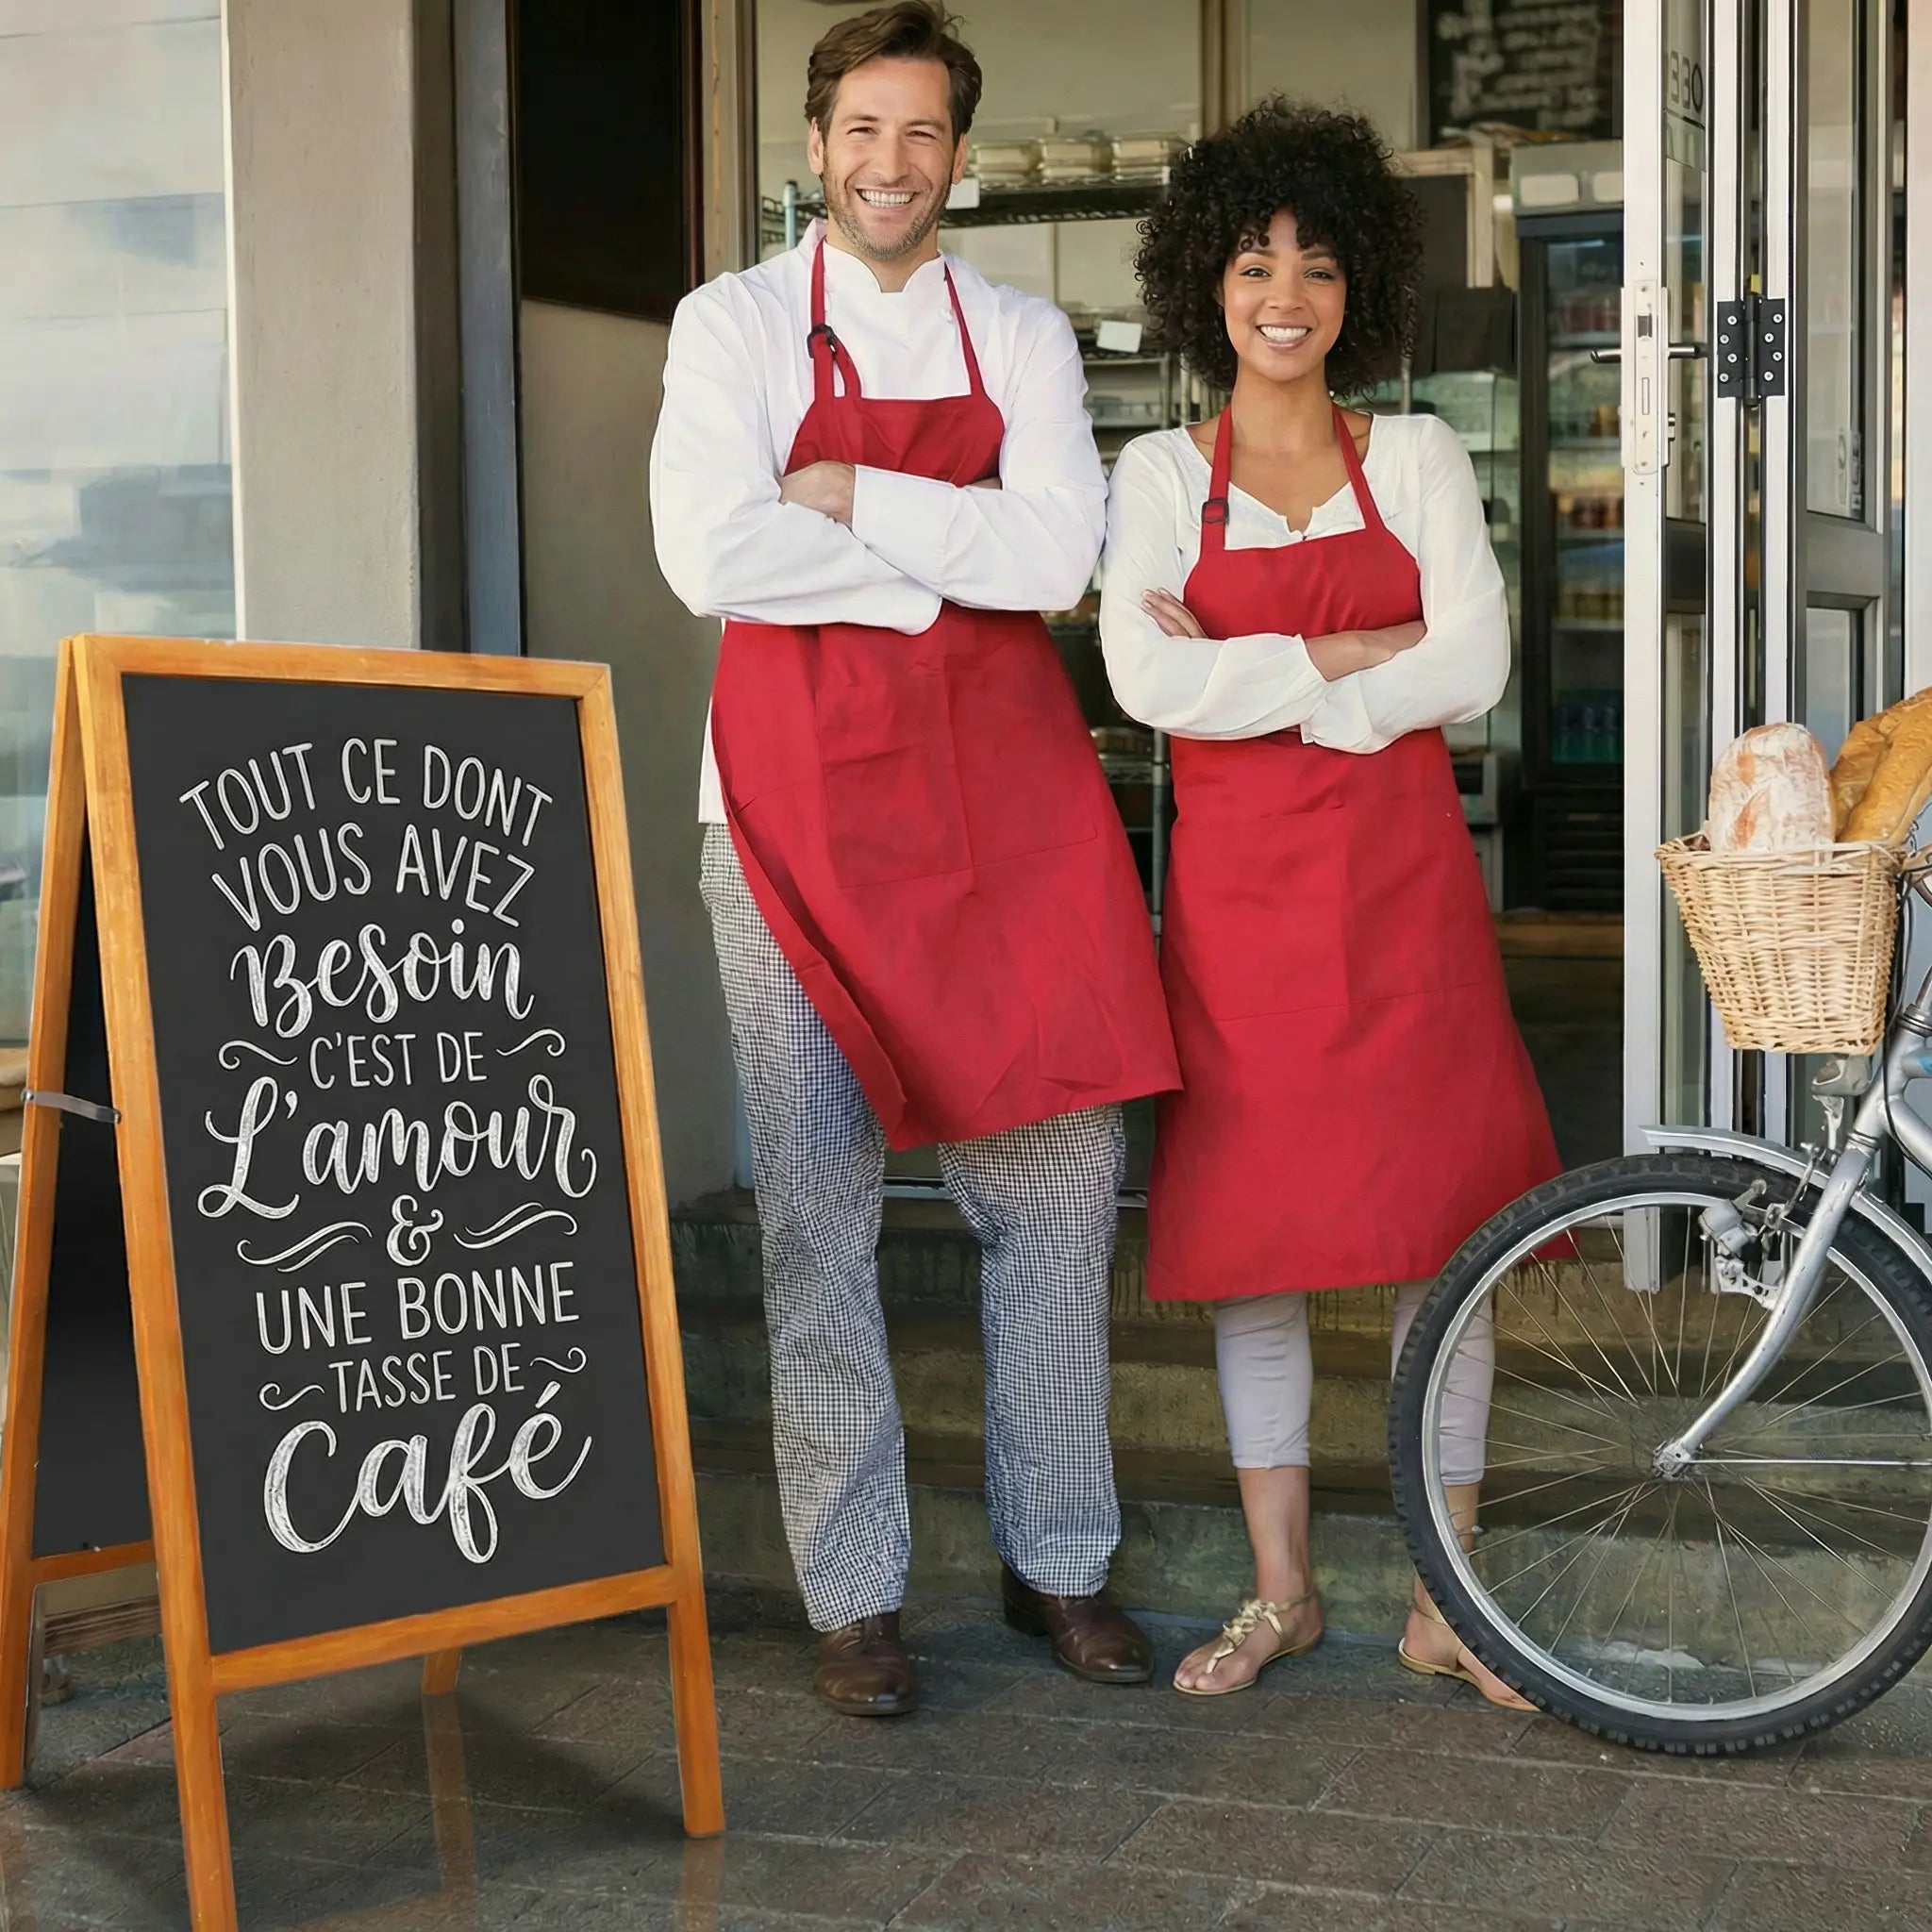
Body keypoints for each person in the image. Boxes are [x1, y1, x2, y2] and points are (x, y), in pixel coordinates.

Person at [651, 1, 1179, 1718]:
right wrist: (935, 572)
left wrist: (851, 504)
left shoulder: (1017, 329)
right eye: (862, 131)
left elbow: (1056, 556)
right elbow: (703, 555)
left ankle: (1060, 1564)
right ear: (815, 147)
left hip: (1002, 821)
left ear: (959, 154)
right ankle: (855, 1594)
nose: (891, 165)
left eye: (924, 134)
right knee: (814, 1219)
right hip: (788, 822)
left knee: (1055, 1193)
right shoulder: (728, 324)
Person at [1099, 100, 1559, 1706]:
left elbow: (1479, 664)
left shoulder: (1418, 452)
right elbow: (1142, 674)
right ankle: (1282, 1591)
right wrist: (1355, 660)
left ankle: (1450, 1602)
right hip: (1241, 917)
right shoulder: (1160, 472)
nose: (1282, 290)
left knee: (1450, 1238)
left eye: (1312, 258)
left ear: (1357, 279)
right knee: (1259, 1247)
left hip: (1405, 899)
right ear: (1203, 286)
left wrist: (1273, 682)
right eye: (1250, 260)